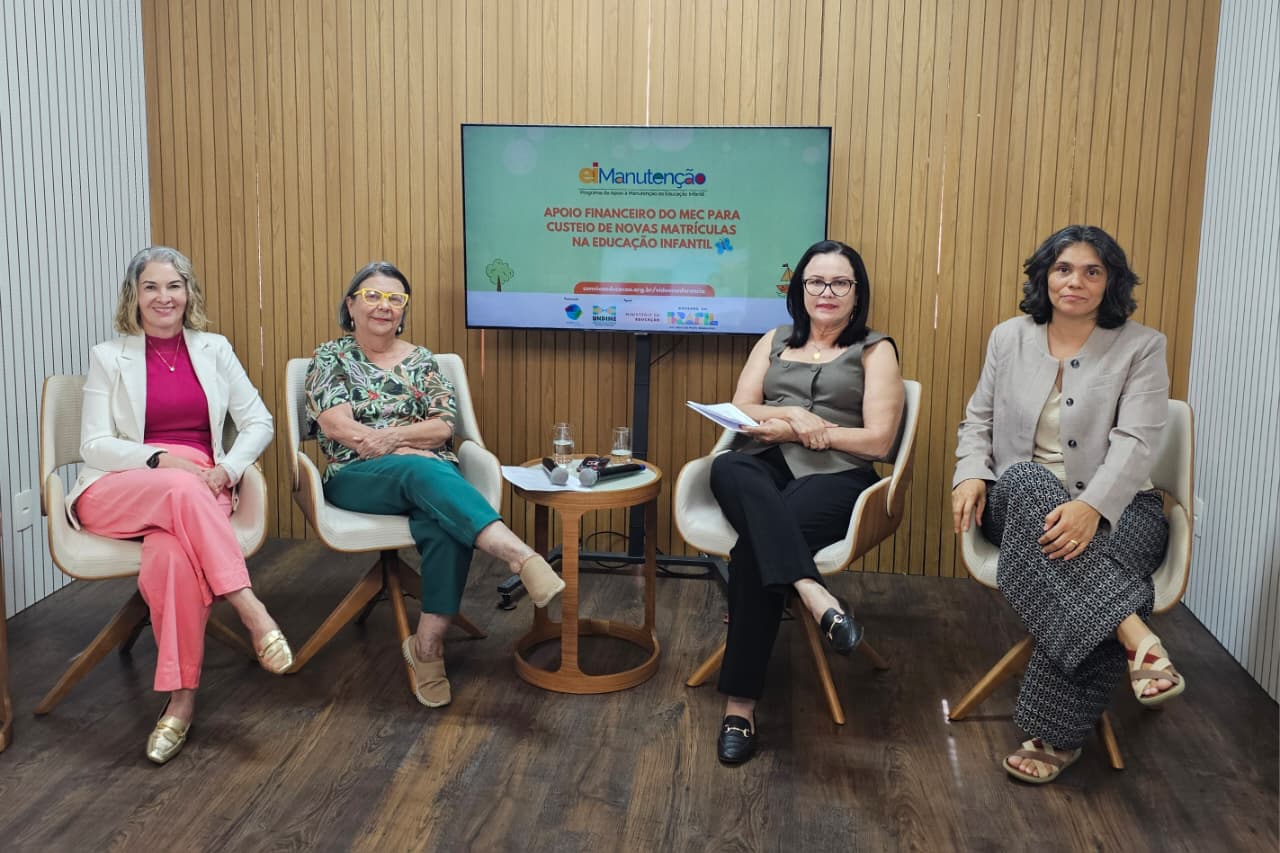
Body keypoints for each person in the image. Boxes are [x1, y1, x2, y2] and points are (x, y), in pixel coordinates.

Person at [952, 225, 1182, 785]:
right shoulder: (1008, 338)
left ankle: (1053, 736)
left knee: (1092, 576)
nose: (1075, 281)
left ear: (1111, 282)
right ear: (1044, 277)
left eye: (1091, 271)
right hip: (1021, 503)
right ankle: (1135, 635)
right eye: (1063, 269)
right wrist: (970, 473)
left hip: (1122, 507)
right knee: (1028, 479)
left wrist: (1092, 507)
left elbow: (1137, 442)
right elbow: (978, 420)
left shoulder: (1142, 346)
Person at [305, 261, 565, 709]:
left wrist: (397, 440)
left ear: (403, 310)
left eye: (395, 298)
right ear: (351, 305)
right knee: (423, 471)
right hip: (356, 475)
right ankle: (519, 556)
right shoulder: (332, 357)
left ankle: (427, 646)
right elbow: (337, 425)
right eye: (372, 296)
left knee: (444, 520)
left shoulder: (423, 360)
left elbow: (443, 427)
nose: (384, 306)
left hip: (429, 472)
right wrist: (401, 447)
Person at [68, 246, 292, 765]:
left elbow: (258, 421)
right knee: (182, 488)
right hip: (121, 486)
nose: (163, 297)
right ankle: (251, 610)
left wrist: (228, 469)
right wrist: (160, 458)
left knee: (172, 558)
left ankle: (180, 701)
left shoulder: (214, 349)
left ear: (188, 293)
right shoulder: (109, 356)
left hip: (202, 484)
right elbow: (94, 445)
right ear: (134, 295)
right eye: (151, 287)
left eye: (174, 286)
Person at [707, 239, 905, 764]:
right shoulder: (774, 340)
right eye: (816, 281)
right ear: (800, 289)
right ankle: (815, 595)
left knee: (754, 550)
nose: (827, 291)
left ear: (857, 293)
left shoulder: (876, 350)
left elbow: (879, 441)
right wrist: (793, 416)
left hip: (837, 475)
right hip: (761, 464)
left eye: (840, 282)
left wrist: (810, 432)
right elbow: (741, 407)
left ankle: (739, 707)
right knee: (726, 465)